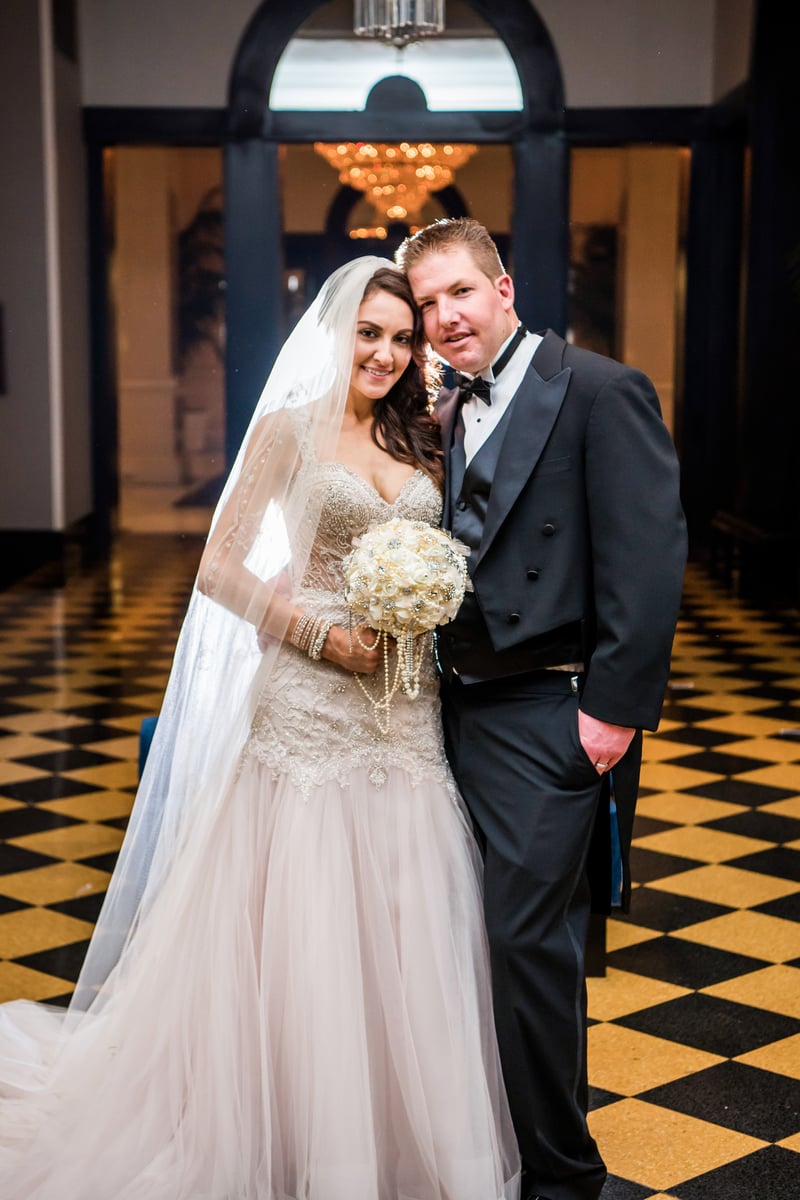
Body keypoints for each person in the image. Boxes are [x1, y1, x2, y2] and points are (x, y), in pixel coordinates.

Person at [0, 258, 520, 1200]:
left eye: (401, 339)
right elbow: (218, 567)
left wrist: (424, 605)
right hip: (309, 703)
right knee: (306, 915)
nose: (385, 353)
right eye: (369, 333)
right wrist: (316, 631)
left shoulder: (425, 435)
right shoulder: (289, 429)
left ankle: (401, 1136)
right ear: (336, 333)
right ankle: (296, 1135)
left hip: (405, 711)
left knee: (407, 906)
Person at [397, 219, 687, 1200]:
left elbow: (648, 558)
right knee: (467, 936)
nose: (445, 317)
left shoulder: (600, 390)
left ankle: (562, 1179)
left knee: (528, 944)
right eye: (428, 304)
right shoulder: (440, 409)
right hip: (451, 707)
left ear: (504, 288)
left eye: (459, 293)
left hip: (549, 708)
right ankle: (494, 1151)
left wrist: (609, 714)